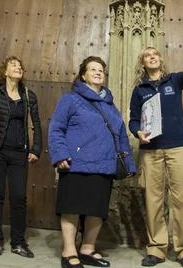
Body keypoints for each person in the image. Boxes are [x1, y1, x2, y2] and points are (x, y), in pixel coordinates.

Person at [128, 27, 183, 268]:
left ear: (160, 59)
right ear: (142, 62)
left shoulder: (174, 80)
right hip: (151, 151)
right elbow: (133, 119)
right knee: (153, 200)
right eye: (147, 55)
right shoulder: (139, 90)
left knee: (181, 198)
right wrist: (136, 131)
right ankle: (157, 248)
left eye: (155, 54)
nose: (152, 56)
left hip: (178, 148)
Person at [49, 57, 136, 268]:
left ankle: (88, 248)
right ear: (83, 75)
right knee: (72, 207)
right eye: (93, 69)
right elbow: (56, 127)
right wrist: (60, 154)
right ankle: (69, 250)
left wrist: (129, 163)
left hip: (104, 163)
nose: (98, 72)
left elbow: (120, 134)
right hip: (76, 162)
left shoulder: (109, 104)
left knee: (96, 209)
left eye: (101, 70)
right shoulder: (70, 99)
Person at [0, 56, 42, 259]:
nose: (18, 67)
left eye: (20, 65)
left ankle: (18, 242)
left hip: (19, 153)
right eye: (13, 65)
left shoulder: (28, 95)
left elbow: (36, 123)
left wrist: (35, 149)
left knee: (19, 198)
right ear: (5, 71)